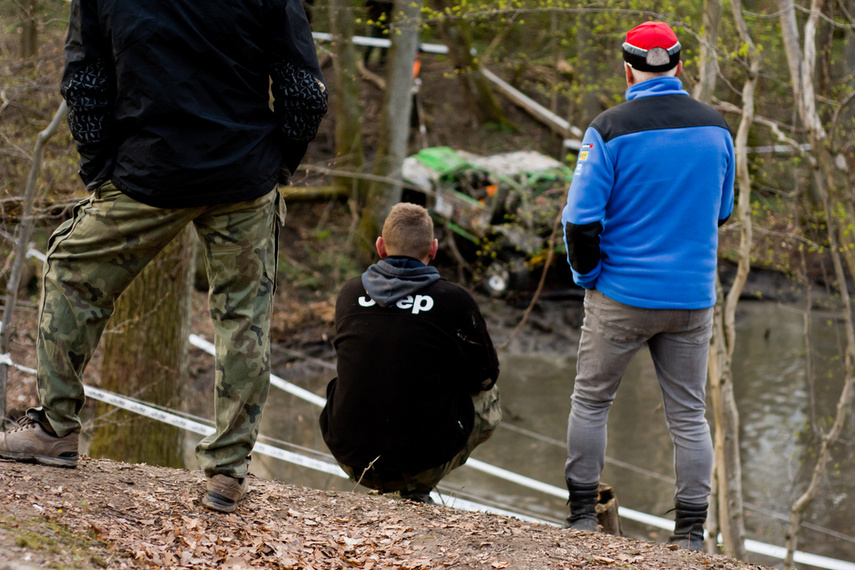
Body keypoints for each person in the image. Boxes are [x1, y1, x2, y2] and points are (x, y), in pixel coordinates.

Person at [0, 0, 327, 514]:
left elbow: (86, 86)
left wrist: (99, 170)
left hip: (147, 173)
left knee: (70, 271)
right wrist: (278, 164)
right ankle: (228, 470)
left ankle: (55, 429)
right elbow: (304, 93)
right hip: (243, 176)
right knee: (244, 318)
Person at [560, 21, 734, 550]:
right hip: (691, 299)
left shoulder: (608, 130)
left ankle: (583, 518)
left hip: (621, 294)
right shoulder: (717, 129)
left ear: (627, 69)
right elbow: (722, 212)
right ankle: (689, 534)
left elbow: (579, 222)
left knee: (591, 402)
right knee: (688, 415)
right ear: (680, 67)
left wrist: (587, 277)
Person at [319, 203, 501, 504]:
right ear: (433, 249)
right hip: (422, 463)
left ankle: (398, 476)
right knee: (489, 396)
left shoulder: (349, 293)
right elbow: (485, 377)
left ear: (381, 247)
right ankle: (419, 487)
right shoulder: (454, 301)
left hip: (351, 457)